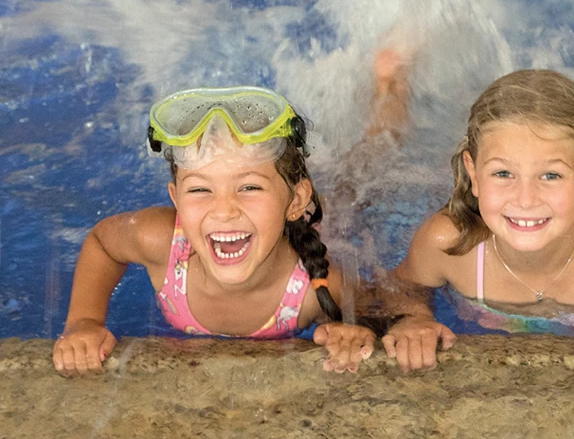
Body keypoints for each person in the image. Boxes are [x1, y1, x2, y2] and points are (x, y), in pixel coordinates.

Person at [375, 69, 574, 371]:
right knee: (376, 160)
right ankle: (390, 95)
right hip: (401, 200)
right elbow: (395, 290)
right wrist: (414, 318)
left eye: (550, 175)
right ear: (473, 174)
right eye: (503, 173)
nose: (526, 199)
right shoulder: (449, 243)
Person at [52, 86, 382, 376]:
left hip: (324, 226)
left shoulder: (318, 288)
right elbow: (103, 243)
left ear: (295, 201)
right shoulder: (160, 240)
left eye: (249, 187)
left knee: (354, 186)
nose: (223, 210)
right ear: (176, 198)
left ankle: (386, 98)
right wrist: (85, 321)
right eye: (199, 190)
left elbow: (380, 312)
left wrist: (349, 332)